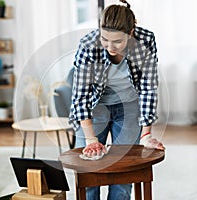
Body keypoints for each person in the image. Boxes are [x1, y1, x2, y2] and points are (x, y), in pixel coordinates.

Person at [69, 0, 165, 199]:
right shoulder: (88, 45)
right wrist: (90, 138)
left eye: (117, 42)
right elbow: (81, 95)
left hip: (129, 106)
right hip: (95, 108)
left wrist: (146, 134)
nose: (110, 47)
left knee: (124, 172)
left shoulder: (145, 40)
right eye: (105, 39)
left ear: (131, 33)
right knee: (88, 170)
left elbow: (148, 86)